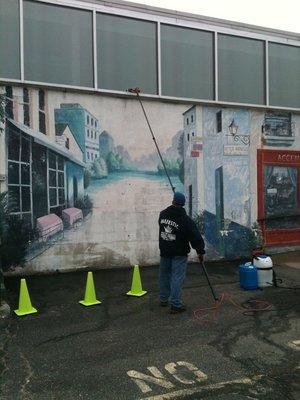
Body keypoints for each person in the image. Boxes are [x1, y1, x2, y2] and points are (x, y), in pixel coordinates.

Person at [158, 192, 205, 313]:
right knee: (177, 278)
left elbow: (162, 227)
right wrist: (200, 251)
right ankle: (176, 304)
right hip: (179, 253)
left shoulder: (162, 214)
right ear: (183, 204)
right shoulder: (185, 220)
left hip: (165, 250)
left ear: (173, 201)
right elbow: (195, 236)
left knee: (164, 275)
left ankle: (163, 299)